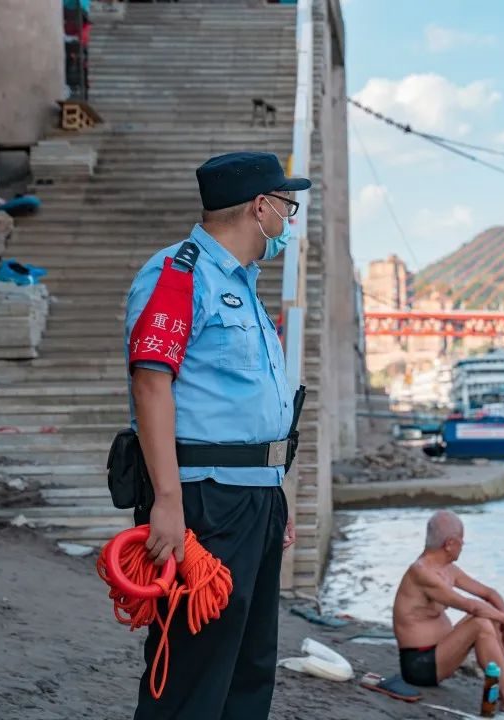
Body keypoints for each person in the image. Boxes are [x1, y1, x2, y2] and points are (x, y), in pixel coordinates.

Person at [124, 151, 309, 720]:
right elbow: (151, 384)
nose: (288, 219)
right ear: (260, 207)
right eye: (286, 205)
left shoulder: (247, 288)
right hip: (204, 498)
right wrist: (168, 503)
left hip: (254, 498)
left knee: (249, 669)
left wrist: (274, 491)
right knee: (192, 669)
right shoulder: (178, 274)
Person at [392, 510, 504, 718]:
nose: (463, 546)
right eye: (461, 541)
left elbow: (489, 594)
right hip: (420, 665)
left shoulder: (448, 569)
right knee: (481, 623)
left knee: (488, 620)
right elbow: (471, 606)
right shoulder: (422, 572)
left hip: (439, 653)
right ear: (449, 544)